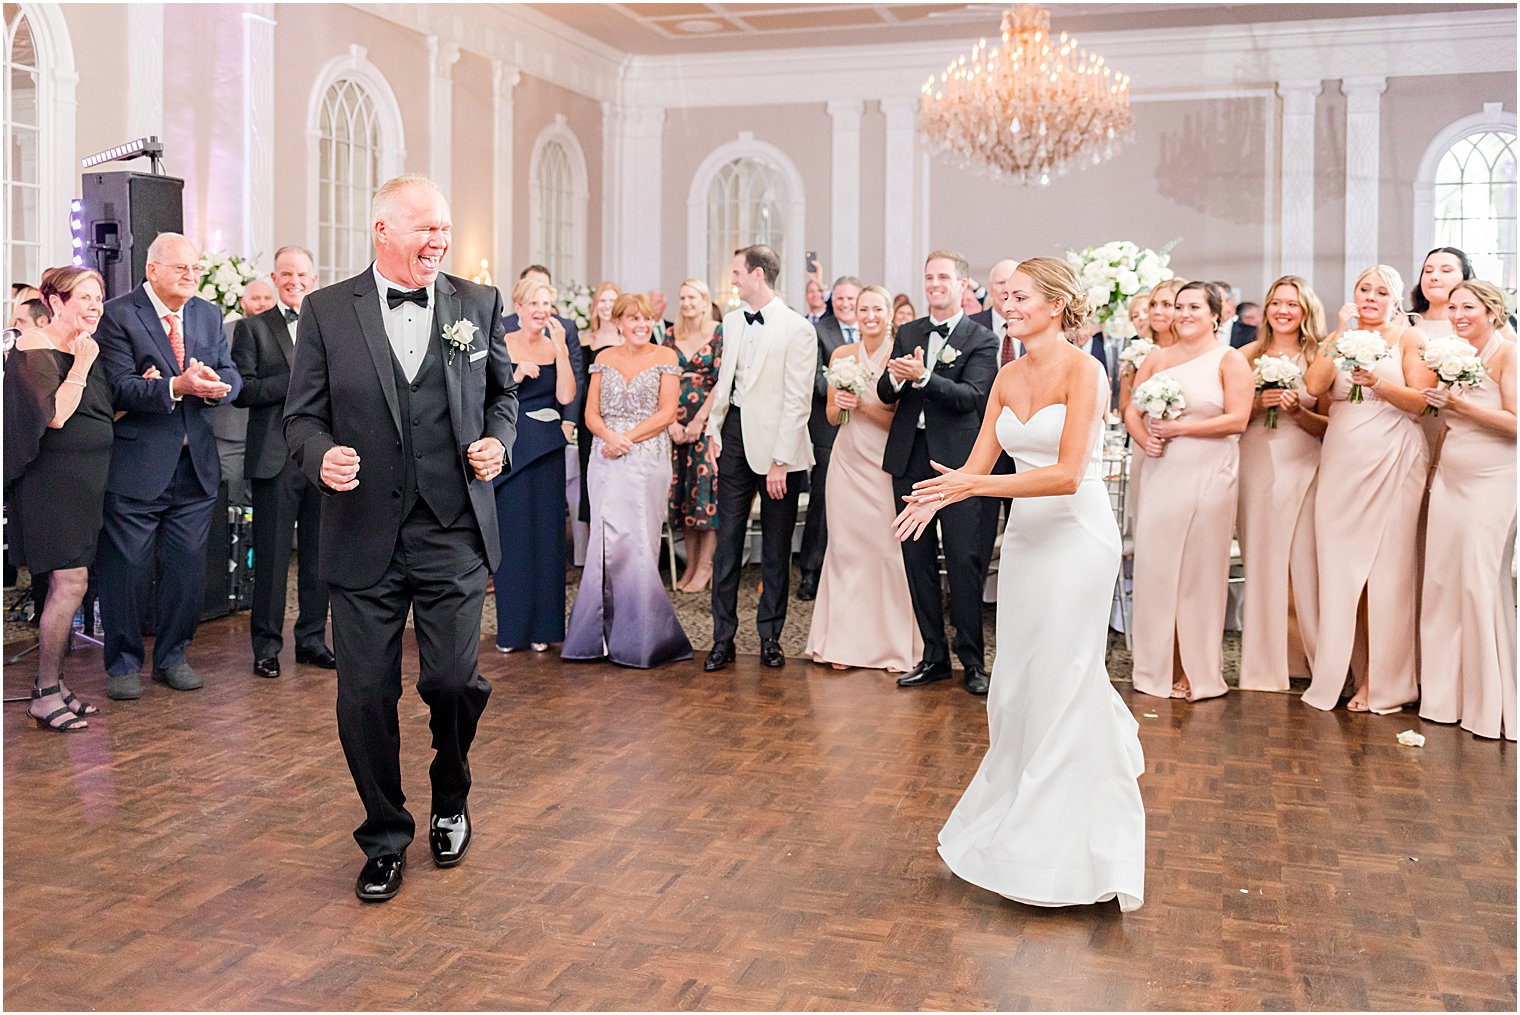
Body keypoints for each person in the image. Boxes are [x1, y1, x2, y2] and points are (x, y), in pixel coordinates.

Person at [283, 174, 518, 902]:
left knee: (451, 679)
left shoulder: (477, 305)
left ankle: (451, 792)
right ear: (382, 230)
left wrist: (497, 445)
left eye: (443, 228)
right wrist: (320, 456)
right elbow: (301, 419)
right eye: (425, 228)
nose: (439, 240)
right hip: (361, 536)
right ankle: (385, 833)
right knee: (363, 696)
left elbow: (502, 395)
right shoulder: (325, 311)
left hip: (451, 532)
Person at [895, 256, 1144, 911]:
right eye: (1005, 298)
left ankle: (1060, 851)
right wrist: (938, 494)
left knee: (1064, 676)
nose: (1007, 305)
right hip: (1029, 543)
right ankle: (1019, 821)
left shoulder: (1085, 370)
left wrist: (974, 483)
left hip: (1079, 536)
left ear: (1056, 304)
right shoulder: (1006, 374)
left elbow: (1066, 473)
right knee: (1018, 685)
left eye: (1021, 297)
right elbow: (974, 465)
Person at [95, 232, 241, 701]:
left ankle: (173, 656)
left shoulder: (207, 313)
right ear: (153, 270)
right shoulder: (119, 314)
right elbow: (116, 388)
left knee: (186, 571)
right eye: (182, 269)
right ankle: (122, 663)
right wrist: (175, 386)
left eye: (195, 270)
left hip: (194, 465)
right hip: (137, 465)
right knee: (127, 570)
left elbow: (230, 371)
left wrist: (220, 385)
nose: (191, 277)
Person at [1302, 265, 1434, 714]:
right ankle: (1349, 671)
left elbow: (1422, 402)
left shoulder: (1408, 339)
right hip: (1342, 460)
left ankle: (1386, 682)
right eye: (1364, 289)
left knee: (1388, 572)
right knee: (1339, 571)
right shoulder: (1341, 336)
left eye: (1381, 292)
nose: (1371, 298)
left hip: (1394, 453)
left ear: (1396, 300)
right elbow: (1314, 386)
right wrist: (1338, 334)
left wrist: (1377, 382)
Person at [1124, 281, 1251, 701]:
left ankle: (1195, 671)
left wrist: (1181, 428)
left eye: (1194, 306)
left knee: (1199, 572)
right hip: (1161, 472)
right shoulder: (1158, 358)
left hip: (1210, 471)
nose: (1184, 313)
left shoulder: (1229, 360)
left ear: (1216, 314)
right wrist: (1146, 439)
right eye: (1179, 306)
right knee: (1156, 569)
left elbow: (1237, 419)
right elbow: (1132, 407)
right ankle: (1155, 668)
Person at [878, 250, 998, 696]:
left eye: (943, 277)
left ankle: (972, 660)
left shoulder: (980, 338)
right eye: (929, 277)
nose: (934, 284)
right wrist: (896, 378)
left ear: (963, 285)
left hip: (957, 464)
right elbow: (885, 391)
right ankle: (933, 656)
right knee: (917, 559)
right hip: (910, 459)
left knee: (964, 560)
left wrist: (925, 378)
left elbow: (972, 396)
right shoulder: (909, 331)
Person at [2, 267, 111, 731]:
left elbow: (98, 410)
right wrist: (84, 365)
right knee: (69, 584)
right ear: (55, 301)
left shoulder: (82, 347)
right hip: (51, 485)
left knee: (69, 584)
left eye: (99, 298)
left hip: (83, 485)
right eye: (84, 296)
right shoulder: (33, 347)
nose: (94, 306)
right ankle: (45, 693)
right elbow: (57, 417)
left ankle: (56, 687)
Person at [703, 244, 817, 672]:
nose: (732, 280)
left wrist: (781, 460)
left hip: (777, 452)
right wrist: (715, 431)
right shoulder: (732, 322)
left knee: (774, 548)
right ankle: (722, 639)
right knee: (727, 542)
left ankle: (770, 637)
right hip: (732, 440)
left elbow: (797, 400)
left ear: (757, 275)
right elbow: (726, 382)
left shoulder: (797, 329)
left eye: (736, 272)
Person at [563, 293, 691, 667]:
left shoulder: (666, 358)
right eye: (633, 319)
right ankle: (597, 634)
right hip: (604, 458)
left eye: (646, 319)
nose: (640, 325)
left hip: (646, 458)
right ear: (618, 322)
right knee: (604, 540)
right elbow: (590, 413)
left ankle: (643, 638)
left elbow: (667, 412)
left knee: (638, 541)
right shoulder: (603, 359)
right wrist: (609, 438)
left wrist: (627, 439)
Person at [1417, 279, 1516, 739]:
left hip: (1492, 480)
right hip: (1451, 476)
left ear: (1492, 311)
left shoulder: (1508, 354)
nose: (1457, 315)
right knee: (1441, 581)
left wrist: (1457, 403)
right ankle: (1444, 698)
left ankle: (1489, 703)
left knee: (1478, 582)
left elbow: (1515, 424)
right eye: (1453, 307)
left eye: (1468, 307)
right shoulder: (1453, 356)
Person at [806, 285, 920, 672]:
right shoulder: (841, 355)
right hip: (847, 461)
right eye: (863, 308)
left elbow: (897, 421)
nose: (869, 315)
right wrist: (839, 405)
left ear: (889, 314)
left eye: (877, 308)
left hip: (886, 463)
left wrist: (864, 406)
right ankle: (842, 643)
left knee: (887, 551)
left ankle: (891, 646)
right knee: (845, 551)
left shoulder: (899, 358)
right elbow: (832, 418)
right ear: (854, 313)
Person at [232, 246, 333, 680]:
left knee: (318, 557)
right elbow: (244, 391)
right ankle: (266, 647)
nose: (295, 280)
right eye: (286, 273)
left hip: (322, 457)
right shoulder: (251, 329)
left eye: (302, 274)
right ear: (274, 278)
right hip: (274, 458)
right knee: (271, 562)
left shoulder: (330, 326)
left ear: (314, 279)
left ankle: (312, 639)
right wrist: (297, 381)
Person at [1236, 276, 1327, 692]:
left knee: (1303, 563)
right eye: (1276, 303)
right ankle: (1263, 661)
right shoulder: (1245, 355)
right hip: (1256, 459)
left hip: (1305, 459)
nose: (1283, 311)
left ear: (1306, 310)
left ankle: (1309, 660)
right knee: (1261, 559)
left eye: (1292, 304)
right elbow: (1233, 417)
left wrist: (1296, 412)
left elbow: (1329, 424)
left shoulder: (1320, 355)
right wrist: (1260, 403)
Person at [494, 276, 575, 654]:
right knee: (514, 540)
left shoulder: (555, 342)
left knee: (547, 539)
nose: (542, 312)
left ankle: (544, 628)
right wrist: (516, 375)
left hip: (547, 450)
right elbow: (488, 399)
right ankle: (512, 630)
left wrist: (559, 348)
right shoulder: (503, 342)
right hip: (512, 448)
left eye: (547, 305)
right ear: (520, 307)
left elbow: (565, 396)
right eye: (535, 305)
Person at [798, 275, 862, 600]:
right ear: (831, 301)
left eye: (851, 299)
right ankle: (811, 572)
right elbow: (813, 379)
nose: (846, 304)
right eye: (839, 299)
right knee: (822, 503)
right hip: (828, 428)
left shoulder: (873, 330)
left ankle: (854, 574)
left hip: (868, 429)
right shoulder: (819, 332)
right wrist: (845, 389)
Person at [969, 259, 1021, 600]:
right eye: (1000, 284)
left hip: (1025, 451)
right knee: (978, 538)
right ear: (990, 289)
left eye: (1014, 286)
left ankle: (1018, 599)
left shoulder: (1038, 332)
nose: (1006, 291)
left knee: (1024, 536)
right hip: (982, 444)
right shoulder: (972, 327)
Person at [667, 277, 723, 593]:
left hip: (707, 424)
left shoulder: (718, 332)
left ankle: (705, 567)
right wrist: (671, 421)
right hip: (675, 425)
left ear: (705, 300)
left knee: (706, 497)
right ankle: (689, 565)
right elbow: (663, 376)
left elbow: (723, 379)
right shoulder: (672, 334)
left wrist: (701, 420)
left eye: (693, 298)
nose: (687, 304)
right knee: (684, 497)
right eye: (683, 298)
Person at [215, 279, 275, 507]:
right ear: (243, 302)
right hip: (231, 433)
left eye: (267, 298)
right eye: (255, 298)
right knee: (230, 499)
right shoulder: (224, 332)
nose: (262, 304)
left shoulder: (290, 333)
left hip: (271, 437)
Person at [574, 281, 622, 544]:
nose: (606, 306)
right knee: (591, 482)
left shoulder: (631, 339)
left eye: (612, 301)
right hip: (590, 423)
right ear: (595, 306)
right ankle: (596, 554)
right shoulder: (585, 341)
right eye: (602, 301)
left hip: (622, 422)